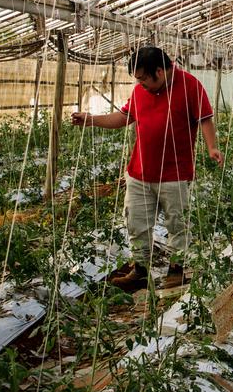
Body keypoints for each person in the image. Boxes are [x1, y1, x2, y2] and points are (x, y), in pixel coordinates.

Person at [71, 46, 222, 289]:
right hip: (139, 172)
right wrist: (92, 119)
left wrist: (212, 147)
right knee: (136, 222)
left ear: (160, 72)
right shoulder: (140, 92)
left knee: (177, 223)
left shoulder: (191, 86)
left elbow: (204, 118)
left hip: (174, 173)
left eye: (143, 78)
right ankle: (140, 271)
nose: (139, 83)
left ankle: (177, 270)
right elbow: (123, 117)